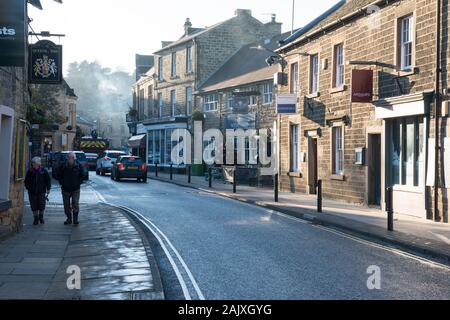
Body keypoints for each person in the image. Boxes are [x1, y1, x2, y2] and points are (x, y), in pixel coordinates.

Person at [57, 152, 84, 225]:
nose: (70, 159)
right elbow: (58, 174)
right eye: (69, 157)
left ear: (74, 158)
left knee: (75, 203)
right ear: (67, 158)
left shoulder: (78, 166)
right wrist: (62, 182)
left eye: (71, 157)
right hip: (65, 188)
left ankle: (75, 219)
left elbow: (82, 176)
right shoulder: (62, 166)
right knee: (66, 204)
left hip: (76, 188)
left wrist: (78, 183)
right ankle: (69, 218)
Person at [25, 157, 51, 225]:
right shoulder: (30, 171)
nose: (33, 164)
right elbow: (26, 181)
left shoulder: (43, 171)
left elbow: (48, 180)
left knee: (41, 205)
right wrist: (29, 188)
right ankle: (35, 218)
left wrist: (48, 188)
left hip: (41, 191)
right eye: (33, 163)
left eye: (34, 163)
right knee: (33, 205)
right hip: (32, 192)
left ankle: (41, 217)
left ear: (38, 164)